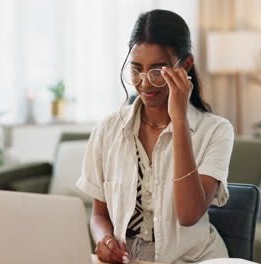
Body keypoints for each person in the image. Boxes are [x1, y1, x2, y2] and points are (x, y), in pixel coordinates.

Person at [77, 9, 234, 264]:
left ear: (185, 66)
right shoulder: (108, 129)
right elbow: (99, 215)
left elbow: (188, 214)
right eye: (137, 69)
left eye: (158, 71)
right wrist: (103, 241)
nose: (145, 83)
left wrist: (180, 120)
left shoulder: (216, 131)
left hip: (191, 259)